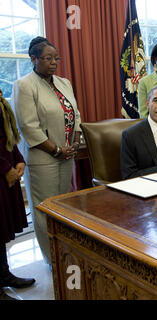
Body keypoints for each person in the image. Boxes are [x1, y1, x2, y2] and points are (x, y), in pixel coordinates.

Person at [12, 37, 82, 265]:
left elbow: (75, 114)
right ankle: (52, 260)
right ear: (33, 59)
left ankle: (64, 252)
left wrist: (75, 141)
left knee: (62, 206)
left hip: (66, 154)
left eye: (56, 58)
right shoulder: (24, 85)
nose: (54, 62)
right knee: (44, 210)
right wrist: (56, 150)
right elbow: (28, 126)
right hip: (43, 158)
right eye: (48, 58)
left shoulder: (64, 82)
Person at [0, 95, 36, 300]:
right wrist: (6, 168)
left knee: (1, 229)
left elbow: (7, 134)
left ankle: (4, 274)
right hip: (2, 171)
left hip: (7, 170)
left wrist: (19, 159)